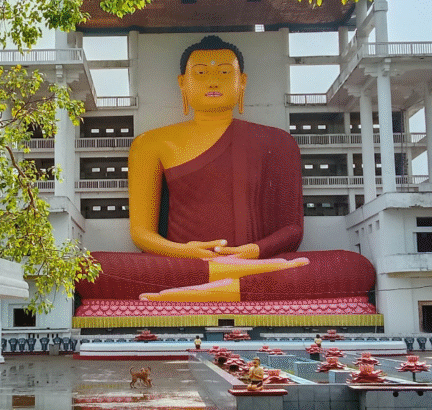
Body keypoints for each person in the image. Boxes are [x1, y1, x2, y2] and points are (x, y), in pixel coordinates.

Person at [75, 36, 375, 305]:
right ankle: (239, 282)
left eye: (223, 73)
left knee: (354, 267)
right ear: (183, 83)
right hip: (186, 264)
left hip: (258, 260)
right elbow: (141, 234)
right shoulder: (151, 143)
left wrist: (252, 252)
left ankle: (213, 286)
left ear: (242, 82)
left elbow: (292, 231)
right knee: (91, 268)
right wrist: (189, 253)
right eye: (200, 73)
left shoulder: (278, 141)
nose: (212, 82)